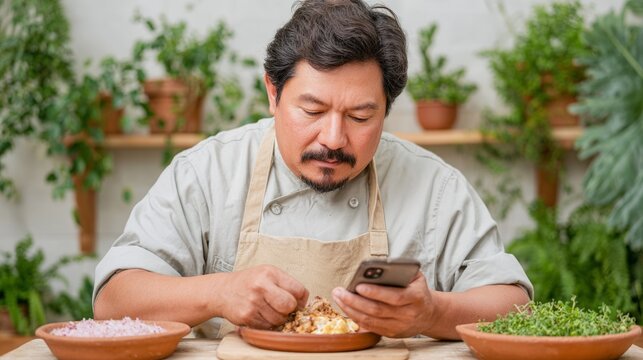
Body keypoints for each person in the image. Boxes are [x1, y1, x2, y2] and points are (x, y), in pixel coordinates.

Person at [93, 0, 533, 339]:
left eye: (361, 117)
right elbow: (113, 300)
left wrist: (435, 312)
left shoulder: (434, 187)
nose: (334, 139)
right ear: (273, 93)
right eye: (313, 110)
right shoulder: (208, 172)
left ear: (387, 109)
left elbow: (515, 305)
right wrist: (217, 292)